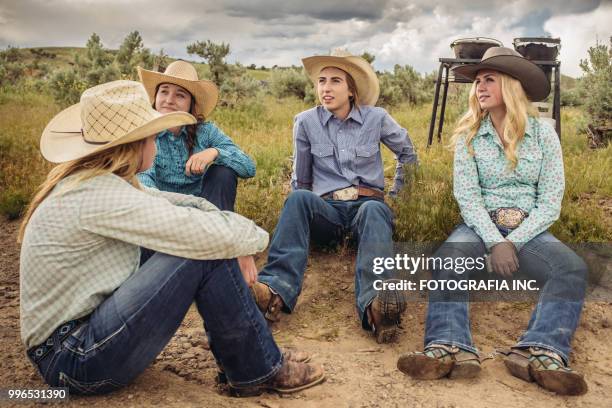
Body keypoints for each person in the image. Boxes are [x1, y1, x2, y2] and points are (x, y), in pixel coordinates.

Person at [18, 80, 325, 397]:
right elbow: (193, 230)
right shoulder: (101, 195)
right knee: (200, 248)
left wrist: (236, 238)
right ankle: (258, 366)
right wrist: (243, 242)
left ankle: (255, 357)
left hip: (76, 341)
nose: (157, 142)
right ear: (137, 144)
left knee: (206, 240)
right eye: (153, 135)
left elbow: (176, 202)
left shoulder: (96, 180)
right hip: (75, 358)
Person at [396, 47, 588, 396]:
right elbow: (468, 198)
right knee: (449, 257)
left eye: (489, 80)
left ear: (511, 86)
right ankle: (449, 346)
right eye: (477, 82)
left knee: (571, 268)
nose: (479, 88)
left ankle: (540, 351)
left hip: (529, 228)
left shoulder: (544, 135)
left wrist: (512, 241)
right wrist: (494, 240)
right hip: (479, 225)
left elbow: (550, 202)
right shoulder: (470, 135)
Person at [251, 50, 418, 343]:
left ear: (351, 89)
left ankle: (378, 306)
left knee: (374, 210)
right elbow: (301, 179)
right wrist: (298, 213)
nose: (326, 88)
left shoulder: (376, 118)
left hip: (366, 209)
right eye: (322, 81)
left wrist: (399, 196)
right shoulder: (305, 122)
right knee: (299, 198)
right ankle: (274, 291)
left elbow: (408, 153)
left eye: (336, 81)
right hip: (326, 212)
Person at [137, 60, 258, 283]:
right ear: (155, 97)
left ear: (191, 104)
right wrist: (187, 215)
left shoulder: (206, 132)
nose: (169, 100)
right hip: (164, 218)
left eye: (180, 95)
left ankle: (220, 252)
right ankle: (223, 248)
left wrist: (213, 152)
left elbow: (249, 167)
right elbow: (146, 187)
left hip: (207, 217)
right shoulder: (146, 135)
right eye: (164, 92)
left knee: (223, 172)